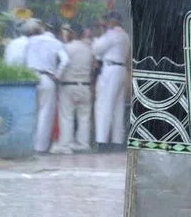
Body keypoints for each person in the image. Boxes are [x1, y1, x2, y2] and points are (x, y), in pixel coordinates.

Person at [24, 20, 70, 154]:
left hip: (30, 78)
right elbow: (66, 61)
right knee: (45, 114)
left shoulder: (30, 41)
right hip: (47, 78)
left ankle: (27, 144)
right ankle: (40, 147)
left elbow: (23, 58)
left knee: (30, 112)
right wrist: (58, 75)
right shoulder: (57, 43)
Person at [51, 24, 95, 154]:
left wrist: (57, 77)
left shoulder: (66, 48)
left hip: (68, 85)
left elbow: (61, 64)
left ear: (72, 33)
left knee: (67, 116)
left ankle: (65, 145)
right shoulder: (88, 49)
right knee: (84, 117)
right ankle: (83, 144)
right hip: (85, 86)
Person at [91, 11, 131, 148]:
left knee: (104, 104)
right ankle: (117, 141)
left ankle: (102, 141)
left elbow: (96, 49)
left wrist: (99, 34)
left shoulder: (111, 35)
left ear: (113, 21)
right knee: (118, 107)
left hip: (110, 69)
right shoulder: (125, 35)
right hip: (121, 69)